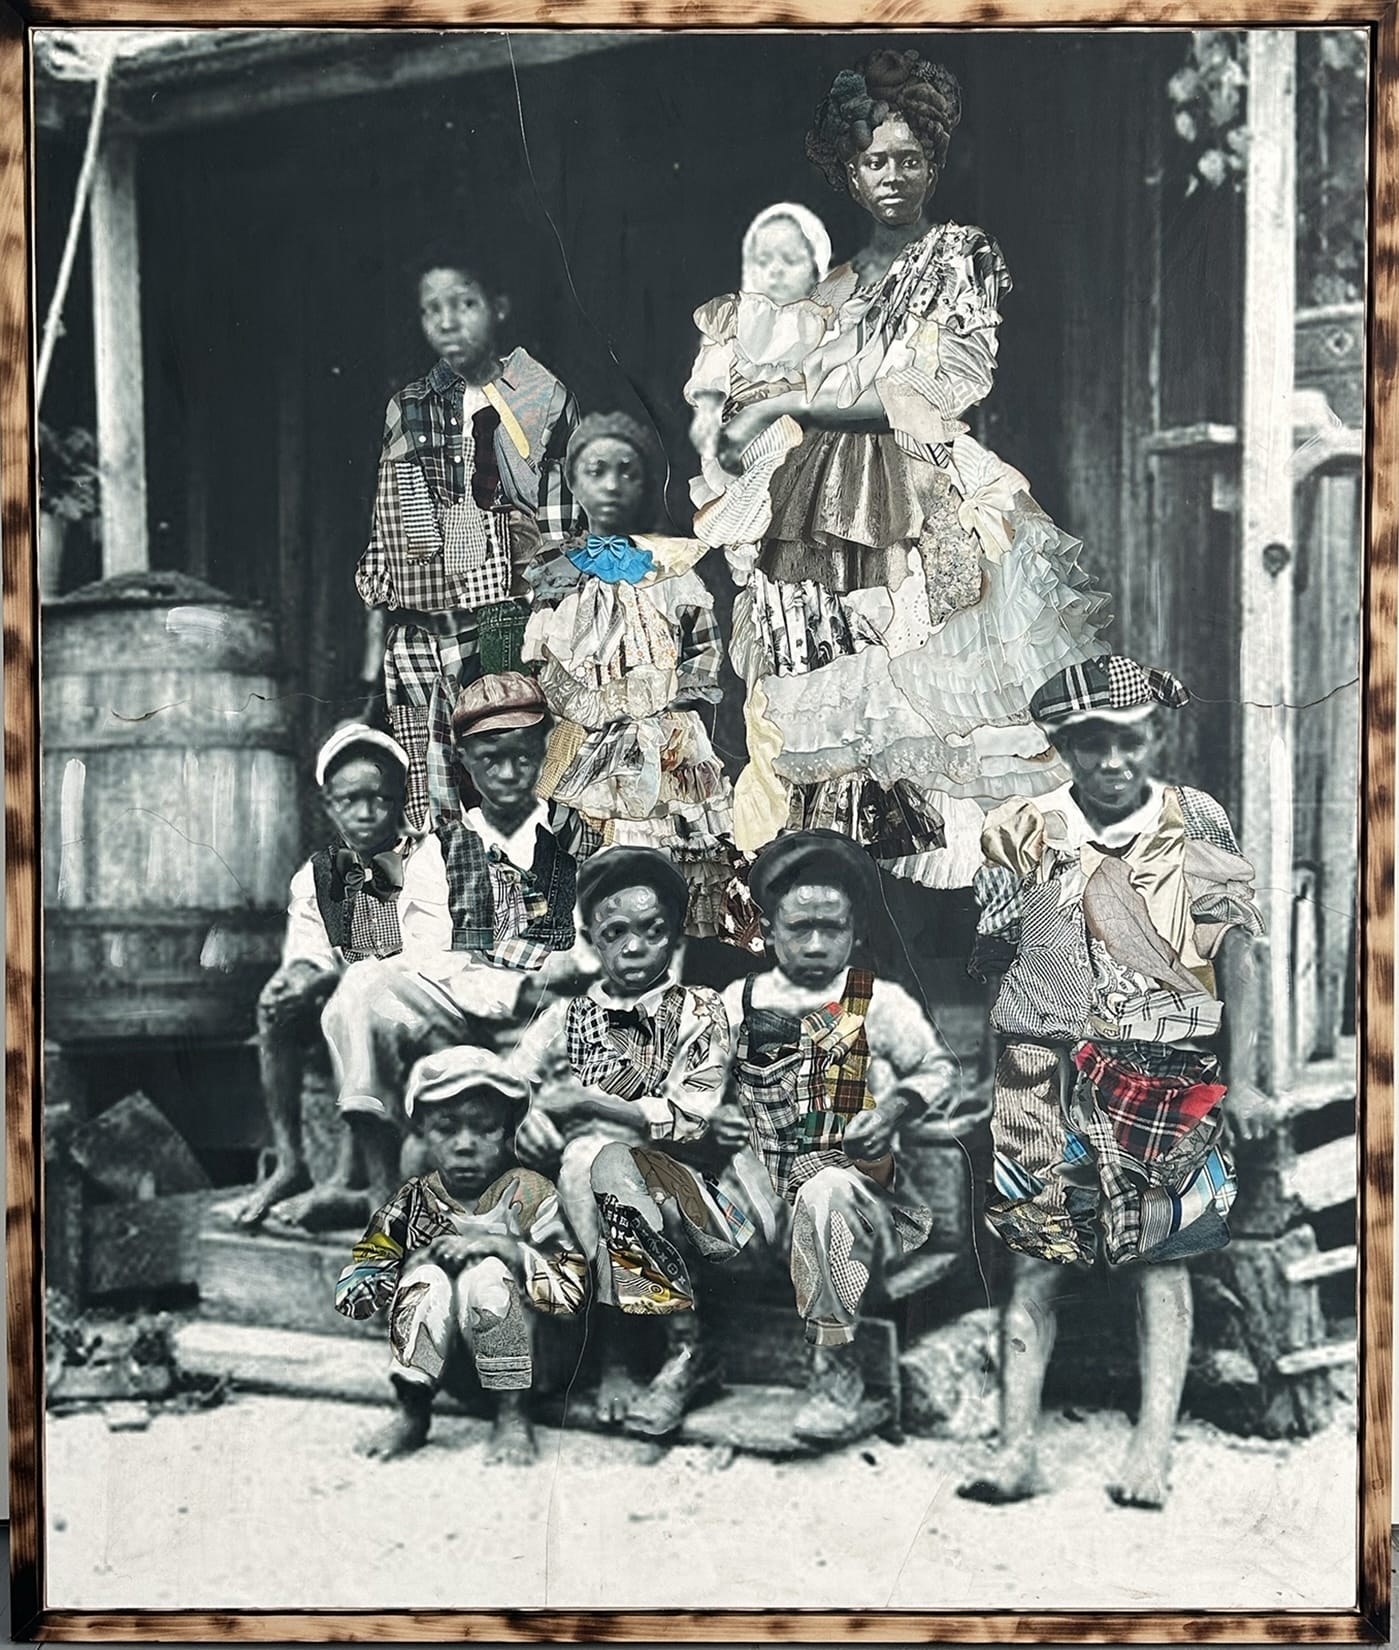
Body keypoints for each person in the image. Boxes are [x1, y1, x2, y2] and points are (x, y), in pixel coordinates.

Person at [699, 51, 1109, 886]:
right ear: (847, 171)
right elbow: (769, 379)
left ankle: (963, 919)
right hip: (816, 506)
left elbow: (940, 385)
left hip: (917, 496)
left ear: (934, 164)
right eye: (873, 160)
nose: (891, 177)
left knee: (923, 686)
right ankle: (848, 909)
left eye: (909, 159)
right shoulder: (828, 288)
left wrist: (798, 405)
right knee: (831, 695)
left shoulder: (959, 256)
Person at [957, 654, 1269, 1509]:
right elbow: (996, 967)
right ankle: (1015, 1449)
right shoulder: (1021, 827)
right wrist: (1011, 1086)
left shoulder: (1197, 821)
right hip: (1041, 1072)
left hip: (1165, 1071)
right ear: (1060, 747)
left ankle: (1150, 1450)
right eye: (1087, 746)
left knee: (1160, 1260)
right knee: (1033, 1263)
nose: (1109, 763)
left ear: (1155, 736)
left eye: (1126, 742)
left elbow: (1236, 959)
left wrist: (1239, 1082)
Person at [278, 673, 585, 1233]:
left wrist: (554, 989)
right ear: (465, 761)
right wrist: (516, 986)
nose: (510, 773)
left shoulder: (575, 838)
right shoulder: (442, 852)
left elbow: (592, 960)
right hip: (470, 1020)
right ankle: (378, 1191)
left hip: (558, 1033)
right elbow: (434, 960)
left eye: (523, 756)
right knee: (367, 986)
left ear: (545, 752)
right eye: (491, 759)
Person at [721, 830, 960, 1445]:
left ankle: (837, 1373)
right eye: (799, 928)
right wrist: (712, 1115)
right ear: (769, 929)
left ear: (855, 932)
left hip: (861, 1204)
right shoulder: (735, 1001)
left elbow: (938, 1070)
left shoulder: (876, 1000)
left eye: (833, 928)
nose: (817, 944)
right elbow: (691, 1081)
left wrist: (895, 1111)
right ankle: (687, 1354)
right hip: (761, 1195)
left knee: (826, 1190)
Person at [511, 846, 753, 1437]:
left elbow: (687, 1115)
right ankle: (618, 1356)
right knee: (573, 1179)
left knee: (593, 1162)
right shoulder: (568, 1013)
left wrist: (588, 1103)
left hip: (680, 1179)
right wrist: (525, 1113)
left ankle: (642, 1355)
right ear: (591, 941)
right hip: (590, 1188)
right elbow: (510, 1080)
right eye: (616, 932)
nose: (635, 947)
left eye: (653, 931)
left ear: (675, 936)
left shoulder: (697, 1011)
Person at [356, 253, 583, 827]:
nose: (448, 322)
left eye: (464, 303)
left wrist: (553, 593)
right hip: (438, 611)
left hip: (523, 610)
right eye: (432, 310)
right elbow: (394, 514)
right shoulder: (409, 407)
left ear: (498, 308)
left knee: (524, 761)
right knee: (442, 775)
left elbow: (562, 505)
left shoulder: (541, 393)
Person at [519, 412, 738, 941]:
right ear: (574, 483)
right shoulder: (559, 571)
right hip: (581, 739)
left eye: (627, 471)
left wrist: (673, 702)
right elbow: (537, 658)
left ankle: (662, 946)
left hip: (660, 735)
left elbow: (703, 644)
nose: (612, 485)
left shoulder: (670, 567)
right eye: (597, 471)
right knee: (583, 848)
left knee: (662, 854)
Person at [229, 723, 453, 1229]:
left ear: (400, 802)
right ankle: (291, 1162)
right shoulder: (318, 876)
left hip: (420, 1003)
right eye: (350, 800)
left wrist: (341, 978)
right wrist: (300, 977)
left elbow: (428, 955)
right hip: (351, 1002)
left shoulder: (426, 859)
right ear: (329, 806)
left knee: (356, 996)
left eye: (380, 798)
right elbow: (308, 949)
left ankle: (373, 1189)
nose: (367, 811)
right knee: (278, 1003)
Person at [335, 1046, 588, 1465]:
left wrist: (505, 1249)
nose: (465, 1145)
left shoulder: (530, 1195)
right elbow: (362, 1283)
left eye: (484, 1128)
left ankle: (511, 1416)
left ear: (509, 1133)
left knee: (486, 1274)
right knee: (427, 1279)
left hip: (534, 1368)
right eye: (446, 1129)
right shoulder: (416, 1200)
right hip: (453, 1371)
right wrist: (404, 1268)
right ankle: (413, 1412)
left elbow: (572, 1300)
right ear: (420, 1134)